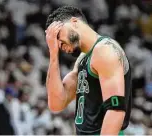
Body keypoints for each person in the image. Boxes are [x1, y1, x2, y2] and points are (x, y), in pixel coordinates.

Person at [45, 6, 132, 135]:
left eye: (58, 34)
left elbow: (116, 110)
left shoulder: (105, 50)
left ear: (74, 22)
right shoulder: (83, 59)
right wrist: (53, 54)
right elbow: (56, 103)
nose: (58, 43)